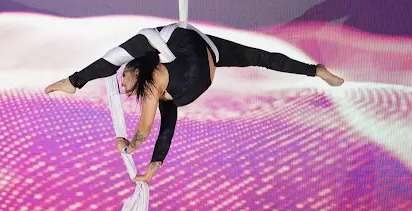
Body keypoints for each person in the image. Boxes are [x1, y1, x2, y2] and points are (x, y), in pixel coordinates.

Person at [44, 24, 344, 185]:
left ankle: (74, 81)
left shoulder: (153, 79)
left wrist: (130, 146)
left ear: (137, 70)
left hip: (185, 45)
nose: (121, 85)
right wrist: (151, 168)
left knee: (130, 46)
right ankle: (316, 71)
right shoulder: (164, 92)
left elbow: (145, 130)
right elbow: (165, 131)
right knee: (261, 57)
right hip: (204, 51)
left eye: (124, 78)